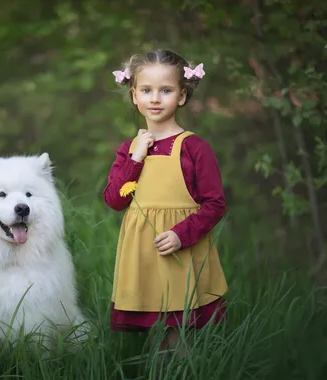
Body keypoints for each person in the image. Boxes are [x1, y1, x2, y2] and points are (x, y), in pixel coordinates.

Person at [103, 49, 229, 360]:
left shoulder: (194, 147)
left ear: (182, 96)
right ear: (134, 96)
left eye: (166, 90)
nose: (155, 98)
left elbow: (215, 204)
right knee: (154, 333)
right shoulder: (129, 149)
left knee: (178, 331)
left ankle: (186, 370)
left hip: (179, 249)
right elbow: (115, 201)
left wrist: (181, 234)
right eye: (146, 90)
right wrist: (136, 157)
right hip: (143, 253)